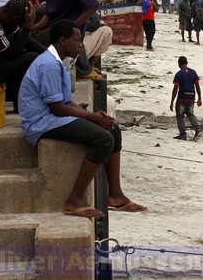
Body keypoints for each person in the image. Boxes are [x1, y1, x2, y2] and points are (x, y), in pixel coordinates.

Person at [18, 19, 146, 217]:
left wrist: (96, 117)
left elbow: (66, 102)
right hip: (41, 123)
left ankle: (115, 194)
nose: (81, 45)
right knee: (103, 140)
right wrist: (93, 117)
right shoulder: (49, 65)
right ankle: (75, 198)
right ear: (63, 41)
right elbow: (58, 107)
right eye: (77, 41)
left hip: (52, 116)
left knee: (113, 130)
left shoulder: (57, 62)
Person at [170, 56, 202, 140]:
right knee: (190, 113)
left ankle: (183, 134)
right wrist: (199, 98)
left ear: (179, 64)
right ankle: (197, 128)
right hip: (191, 97)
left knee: (180, 115)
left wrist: (172, 102)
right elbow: (197, 86)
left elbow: (175, 88)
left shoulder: (179, 74)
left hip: (182, 97)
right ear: (186, 63)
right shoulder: (193, 72)